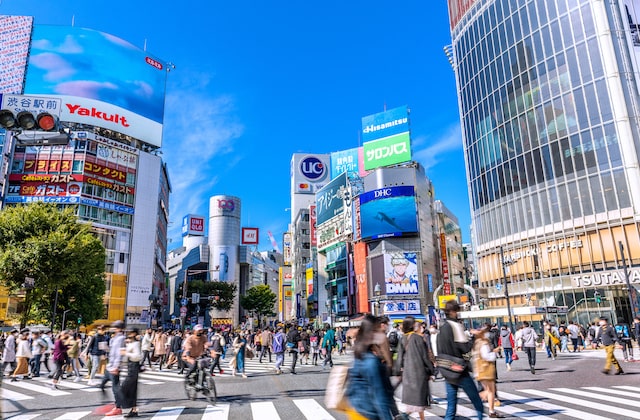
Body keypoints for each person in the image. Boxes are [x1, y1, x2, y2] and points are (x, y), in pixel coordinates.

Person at [437, 300, 484, 420]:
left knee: (451, 405)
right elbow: (465, 348)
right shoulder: (456, 326)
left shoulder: (442, 327)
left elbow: (439, 349)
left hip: (447, 369)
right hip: (459, 370)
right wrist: (473, 339)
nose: (458, 314)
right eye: (457, 311)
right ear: (452, 312)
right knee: (477, 401)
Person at [346, 314, 399, 420]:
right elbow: (379, 395)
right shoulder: (370, 361)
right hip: (370, 412)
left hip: (360, 410)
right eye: (378, 330)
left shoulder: (360, 355)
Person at [397, 316, 434, 420]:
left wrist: (397, 371)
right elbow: (425, 356)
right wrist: (432, 370)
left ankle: (418, 417)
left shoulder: (403, 338)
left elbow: (399, 356)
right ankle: (405, 415)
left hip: (408, 372)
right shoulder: (419, 338)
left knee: (415, 399)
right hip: (419, 371)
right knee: (419, 398)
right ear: (412, 325)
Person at [472, 324, 502, 418]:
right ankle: (490, 410)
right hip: (485, 369)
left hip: (479, 369)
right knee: (490, 391)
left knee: (489, 391)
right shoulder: (483, 343)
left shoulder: (477, 342)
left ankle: (491, 410)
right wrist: (494, 352)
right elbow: (486, 356)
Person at [102, 320, 126, 417]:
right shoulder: (114, 338)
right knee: (102, 385)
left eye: (115, 327)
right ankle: (117, 403)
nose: (113, 329)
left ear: (119, 328)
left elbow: (121, 354)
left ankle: (118, 407)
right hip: (109, 366)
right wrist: (106, 349)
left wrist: (117, 367)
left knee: (115, 388)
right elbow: (112, 351)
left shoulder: (122, 339)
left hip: (115, 368)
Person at [118, 328, 142, 418]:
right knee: (132, 389)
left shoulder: (136, 344)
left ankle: (124, 406)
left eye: (130, 332)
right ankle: (134, 410)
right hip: (131, 367)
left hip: (134, 367)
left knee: (124, 388)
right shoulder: (131, 343)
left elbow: (138, 356)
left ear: (134, 334)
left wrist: (127, 353)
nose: (128, 334)